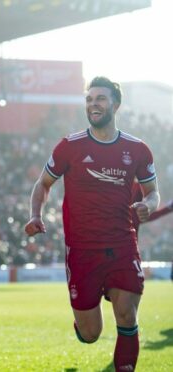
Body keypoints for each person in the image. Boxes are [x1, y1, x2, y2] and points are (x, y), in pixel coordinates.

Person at [25, 77, 160, 372]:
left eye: (99, 98)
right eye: (89, 99)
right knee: (91, 334)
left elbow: (153, 192)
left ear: (116, 104)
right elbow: (44, 182)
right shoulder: (69, 146)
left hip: (122, 245)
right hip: (82, 251)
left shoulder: (137, 149)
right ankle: (83, 322)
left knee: (127, 315)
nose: (93, 104)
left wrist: (148, 206)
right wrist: (35, 214)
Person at [130, 182, 173, 280]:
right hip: (125, 253)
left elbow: (145, 215)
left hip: (128, 253)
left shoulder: (134, 211)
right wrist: (168, 208)